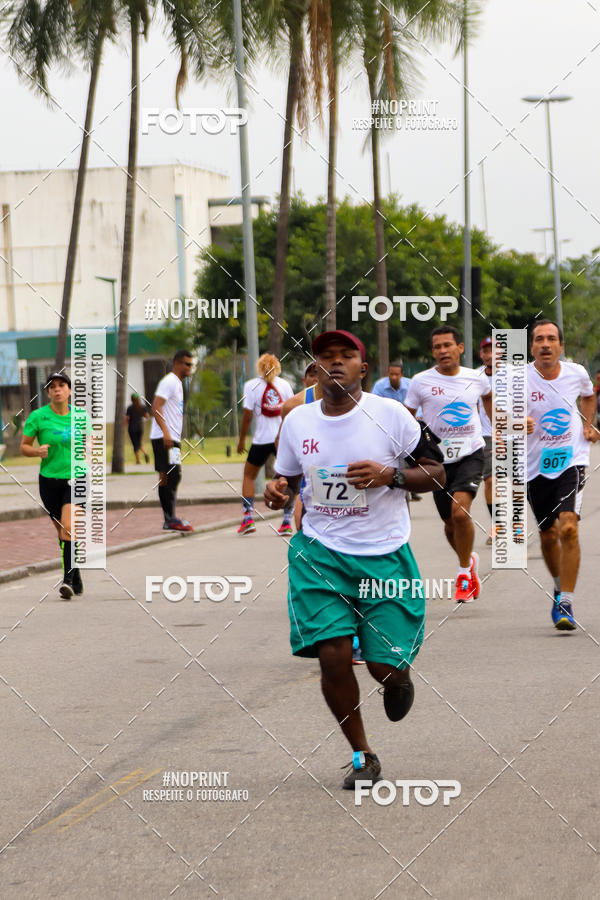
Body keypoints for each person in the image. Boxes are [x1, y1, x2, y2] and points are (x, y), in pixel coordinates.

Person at [265, 329, 445, 789]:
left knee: (385, 667)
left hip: (384, 552)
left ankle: (397, 679)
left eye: (346, 356)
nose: (336, 363)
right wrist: (277, 491)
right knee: (333, 654)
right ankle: (362, 755)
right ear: (315, 370)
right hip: (320, 553)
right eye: (327, 357)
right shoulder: (298, 421)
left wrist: (390, 476)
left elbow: (437, 472)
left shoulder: (392, 416)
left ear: (363, 369)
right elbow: (286, 479)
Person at [405, 325, 492, 603]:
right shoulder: (420, 381)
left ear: (460, 348)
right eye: (437, 347)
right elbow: (406, 416)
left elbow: (488, 396)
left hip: (471, 453)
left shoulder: (476, 378)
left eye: (447, 345)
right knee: (449, 524)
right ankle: (468, 561)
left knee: (460, 513)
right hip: (438, 460)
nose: (443, 351)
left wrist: (497, 430)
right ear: (433, 352)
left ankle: (464, 574)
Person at [525, 320, 597, 629]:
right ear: (531, 347)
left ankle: (566, 602)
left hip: (571, 459)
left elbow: (588, 396)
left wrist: (588, 425)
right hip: (534, 465)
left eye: (551, 339)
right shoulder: (519, 379)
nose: (545, 344)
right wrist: (517, 423)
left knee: (568, 528)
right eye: (539, 339)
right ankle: (557, 588)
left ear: (560, 346)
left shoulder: (576, 373)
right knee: (548, 535)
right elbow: (498, 416)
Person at [20, 373, 88, 599]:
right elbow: (24, 447)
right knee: (62, 531)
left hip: (77, 479)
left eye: (62, 385)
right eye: (52, 387)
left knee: (68, 527)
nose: (57, 389)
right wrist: (36, 451)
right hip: (49, 480)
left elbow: (90, 442)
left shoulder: (81, 416)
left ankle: (67, 581)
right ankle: (75, 572)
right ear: (48, 392)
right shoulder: (38, 417)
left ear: (69, 390)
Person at [237, 353, 293, 535]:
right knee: (286, 478)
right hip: (281, 439)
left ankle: (248, 518)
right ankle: (286, 521)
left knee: (249, 476)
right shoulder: (285, 385)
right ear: (277, 367)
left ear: (259, 368)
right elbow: (292, 412)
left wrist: (241, 440)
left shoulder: (251, 385)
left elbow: (247, 416)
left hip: (261, 439)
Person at [150, 349, 194, 532]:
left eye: (191, 364)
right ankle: (169, 519)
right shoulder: (169, 381)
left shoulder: (177, 384)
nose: (190, 367)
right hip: (164, 438)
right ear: (177, 363)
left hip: (172, 439)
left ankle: (170, 517)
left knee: (172, 476)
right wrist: (166, 432)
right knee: (169, 476)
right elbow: (156, 406)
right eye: (187, 364)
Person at [477, 337, 494, 544]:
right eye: (486, 351)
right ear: (481, 354)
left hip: (514, 434)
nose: (490, 355)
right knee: (490, 481)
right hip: (487, 435)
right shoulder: (475, 377)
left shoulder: (514, 376)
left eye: (494, 351)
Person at [125, 393, 150, 464]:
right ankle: (145, 453)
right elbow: (147, 416)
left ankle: (138, 460)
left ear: (132, 399)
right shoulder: (142, 407)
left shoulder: (130, 408)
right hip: (140, 428)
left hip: (132, 428)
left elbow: (127, 418)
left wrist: (124, 424)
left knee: (135, 444)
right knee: (138, 443)